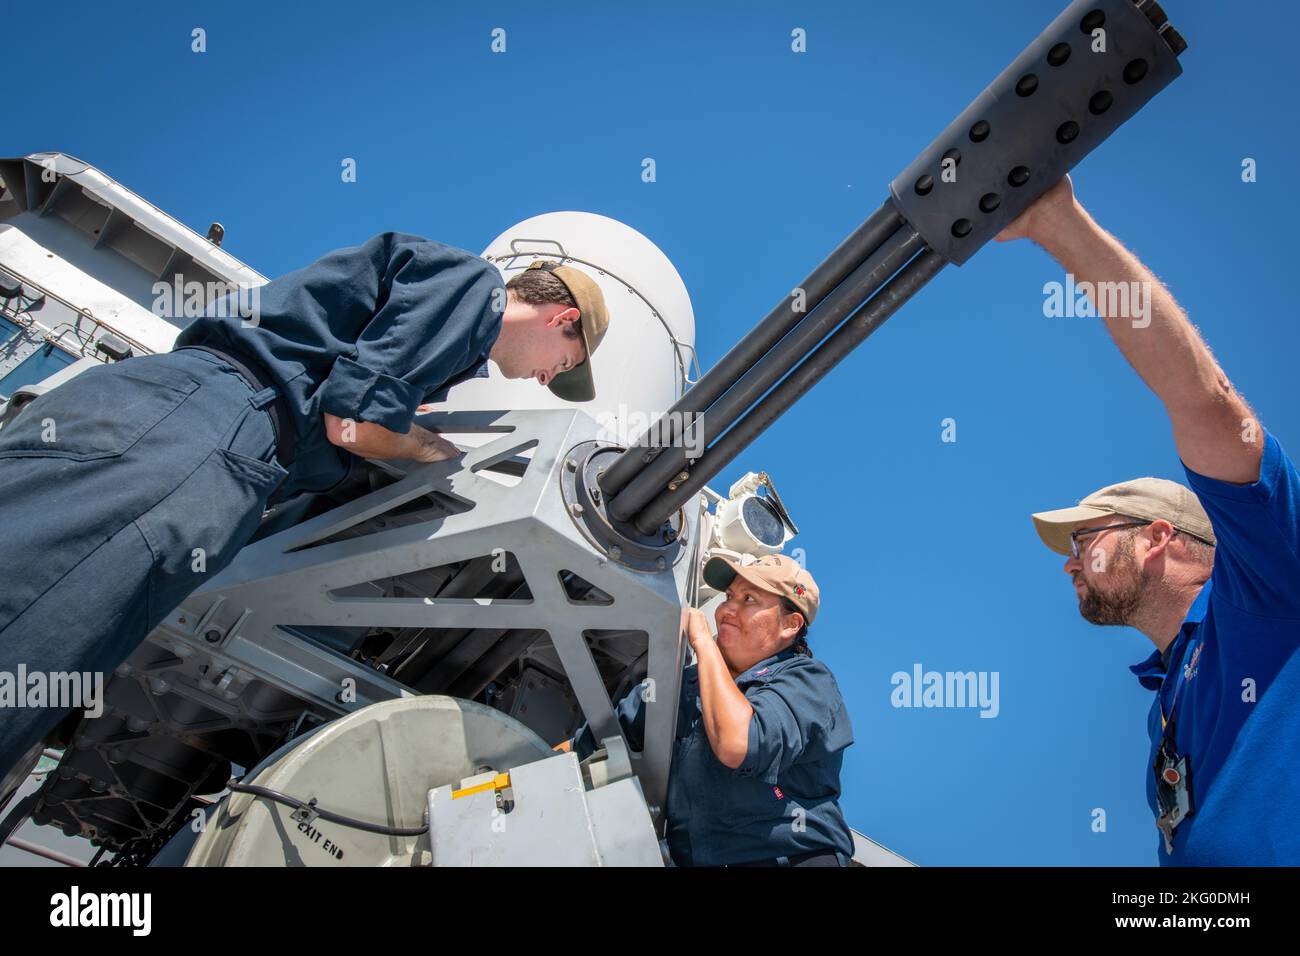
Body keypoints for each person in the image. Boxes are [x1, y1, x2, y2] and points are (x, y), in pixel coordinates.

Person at [0, 234, 609, 780]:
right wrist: (425, 446)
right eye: (563, 364)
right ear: (564, 318)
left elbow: (353, 406)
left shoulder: (441, 334)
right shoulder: (475, 289)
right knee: (47, 614)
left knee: (65, 631)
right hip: (209, 430)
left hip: (206, 439)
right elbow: (354, 423)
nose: (543, 379)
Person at [1007, 177, 1300, 864]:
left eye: (1085, 539)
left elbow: (1206, 402)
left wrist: (1057, 223)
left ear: (1159, 535)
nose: (1069, 561)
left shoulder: (1262, 589)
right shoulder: (1164, 700)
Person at [557, 554, 855, 866]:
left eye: (749, 598)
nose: (727, 610)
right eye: (729, 597)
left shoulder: (807, 682)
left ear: (790, 624)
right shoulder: (684, 686)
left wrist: (704, 644)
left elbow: (738, 743)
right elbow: (586, 746)